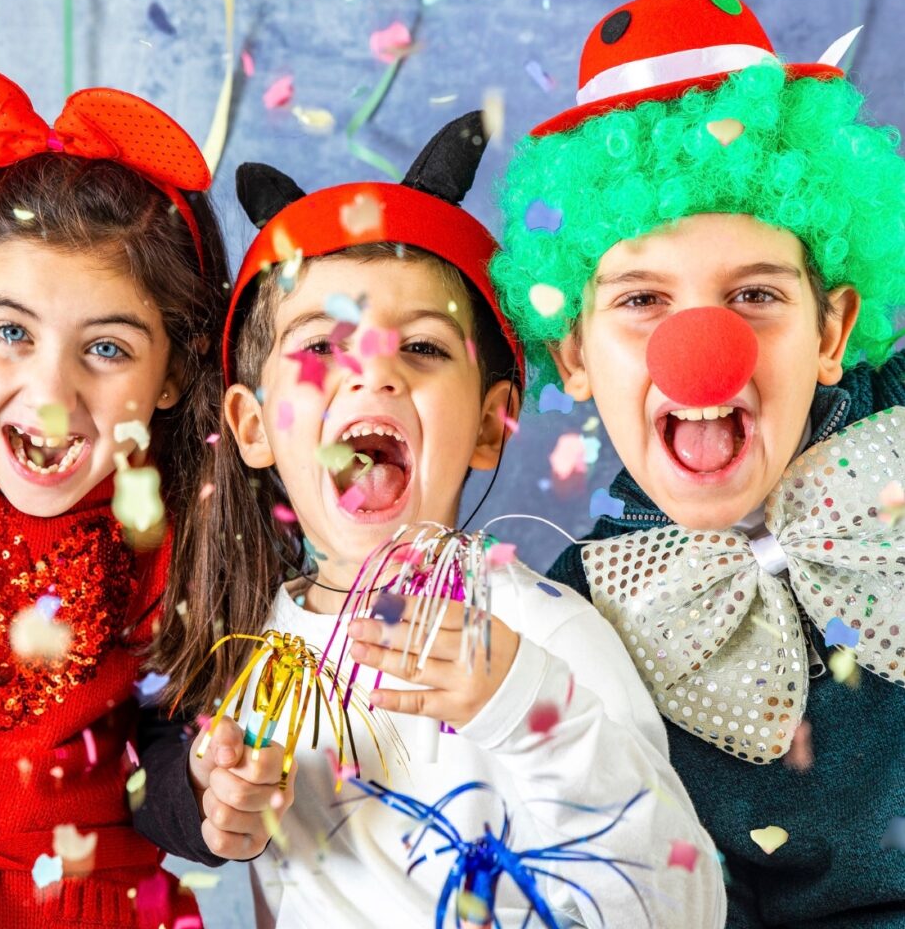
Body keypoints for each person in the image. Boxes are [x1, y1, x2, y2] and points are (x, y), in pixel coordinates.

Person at [135, 112, 726, 928]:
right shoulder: (250, 652)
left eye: (421, 349)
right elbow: (157, 791)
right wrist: (217, 801)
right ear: (253, 425)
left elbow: (682, 907)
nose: (372, 372)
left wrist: (527, 704)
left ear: (491, 424)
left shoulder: (543, 632)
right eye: (319, 349)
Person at [490, 0, 905, 928]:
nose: (702, 347)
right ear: (576, 354)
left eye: (755, 294)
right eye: (641, 301)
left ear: (833, 329)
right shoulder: (581, 617)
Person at [0, 66, 229, 928]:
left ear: (173, 372)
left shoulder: (184, 535)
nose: (51, 395)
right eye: (10, 332)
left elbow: (165, 760)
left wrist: (208, 788)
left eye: (108, 349)